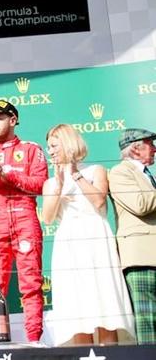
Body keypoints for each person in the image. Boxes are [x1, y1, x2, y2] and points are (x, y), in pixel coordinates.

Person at [41, 124, 134, 346]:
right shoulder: (50, 182)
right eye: (48, 147)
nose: (50, 151)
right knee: (77, 307)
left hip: (96, 239)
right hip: (68, 243)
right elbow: (47, 217)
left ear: (68, 143)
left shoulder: (96, 170)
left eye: (54, 146)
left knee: (105, 303)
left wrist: (76, 176)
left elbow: (100, 202)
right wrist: (60, 184)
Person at [0, 100, 47, 343]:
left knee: (31, 283)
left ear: (13, 120)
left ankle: (34, 340)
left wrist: (8, 173)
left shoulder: (31, 149)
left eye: (0, 117)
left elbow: (40, 185)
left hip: (25, 219)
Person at [108, 128, 156, 345]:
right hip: (142, 258)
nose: (154, 148)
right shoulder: (120, 172)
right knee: (148, 324)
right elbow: (140, 205)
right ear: (136, 149)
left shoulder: (148, 176)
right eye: (149, 143)